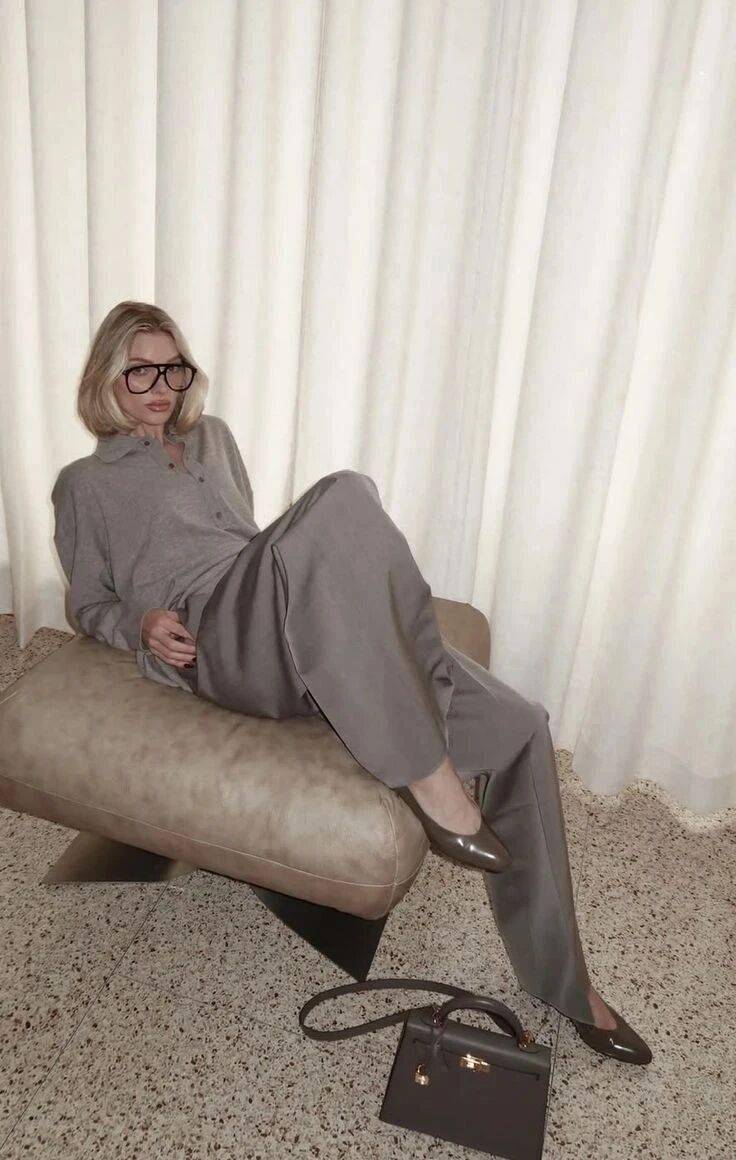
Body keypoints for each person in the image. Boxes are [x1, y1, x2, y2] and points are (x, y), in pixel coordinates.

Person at [51, 300, 652, 1065]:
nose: (161, 385)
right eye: (140, 370)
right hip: (213, 636)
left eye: (174, 367)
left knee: (519, 723)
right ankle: (428, 776)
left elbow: (251, 540)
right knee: (342, 491)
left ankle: (564, 981)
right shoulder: (85, 483)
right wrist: (138, 623)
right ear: (107, 377)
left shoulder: (213, 439)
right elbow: (87, 603)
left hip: (269, 613)